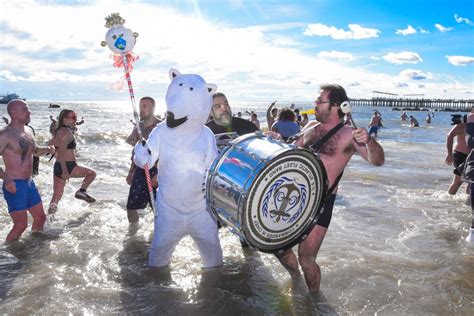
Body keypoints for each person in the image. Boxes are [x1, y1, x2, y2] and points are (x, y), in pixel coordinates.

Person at [268, 84, 385, 293]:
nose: (315, 105)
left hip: (321, 202)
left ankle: (314, 301)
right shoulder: (311, 126)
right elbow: (293, 151)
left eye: (319, 102)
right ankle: (295, 280)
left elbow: (377, 161)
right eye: (316, 101)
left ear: (337, 106)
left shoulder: (349, 134)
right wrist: (278, 140)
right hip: (296, 198)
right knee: (279, 248)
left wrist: (369, 140)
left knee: (307, 259)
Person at [0, 100, 54, 241]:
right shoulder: (4, 135)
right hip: (14, 185)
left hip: (29, 183)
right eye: (25, 109)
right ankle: (7, 255)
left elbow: (34, 151)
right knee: (20, 225)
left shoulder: (28, 131)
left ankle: (33, 246)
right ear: (14, 113)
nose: (29, 112)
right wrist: (6, 178)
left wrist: (48, 150)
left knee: (40, 218)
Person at [47, 109, 96, 214]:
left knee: (56, 196)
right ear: (64, 119)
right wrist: (65, 171)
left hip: (58, 166)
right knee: (92, 173)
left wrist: (56, 157)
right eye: (73, 117)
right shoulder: (65, 132)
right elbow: (60, 152)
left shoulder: (59, 131)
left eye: (76, 117)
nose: (75, 120)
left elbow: (50, 146)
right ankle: (81, 191)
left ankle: (48, 222)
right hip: (68, 166)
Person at [125, 97, 161, 223]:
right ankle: (133, 235)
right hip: (140, 170)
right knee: (131, 207)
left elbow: (168, 154)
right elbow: (134, 150)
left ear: (153, 108)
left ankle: (158, 236)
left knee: (159, 208)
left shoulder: (161, 127)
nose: (141, 109)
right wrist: (131, 171)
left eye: (145, 106)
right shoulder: (138, 127)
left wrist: (158, 174)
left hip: (158, 170)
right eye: (140, 106)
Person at [445, 118, 469, 195]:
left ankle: (468, 202)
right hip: (460, 154)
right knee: (458, 182)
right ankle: (448, 200)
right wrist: (449, 154)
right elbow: (450, 135)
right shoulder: (464, 123)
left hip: (470, 156)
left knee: (471, 181)